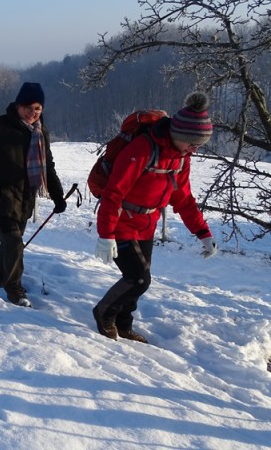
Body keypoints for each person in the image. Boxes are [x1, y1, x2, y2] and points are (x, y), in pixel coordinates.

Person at [92, 91, 218, 343]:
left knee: (137, 280)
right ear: (180, 135)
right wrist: (105, 236)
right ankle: (104, 312)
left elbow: (183, 199)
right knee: (139, 279)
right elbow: (113, 193)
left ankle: (124, 324)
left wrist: (203, 233)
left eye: (199, 145)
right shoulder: (142, 148)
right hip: (121, 221)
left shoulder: (181, 158)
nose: (195, 149)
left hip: (146, 225)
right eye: (193, 143)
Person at [0, 82, 67, 307]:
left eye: (37, 108)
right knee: (13, 240)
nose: (32, 113)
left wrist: (58, 196)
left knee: (10, 241)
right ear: (18, 106)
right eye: (28, 107)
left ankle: (2, 276)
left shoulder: (40, 132)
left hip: (24, 198)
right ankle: (13, 286)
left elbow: (47, 165)